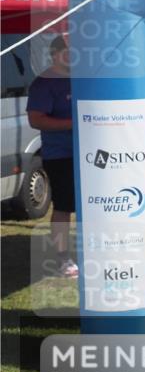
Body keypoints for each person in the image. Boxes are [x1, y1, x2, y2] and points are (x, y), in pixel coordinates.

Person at [27, 36, 77, 278]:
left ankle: (96, 250)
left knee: (94, 204)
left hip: (90, 154)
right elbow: (35, 119)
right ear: (56, 54)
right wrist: (75, 123)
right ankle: (63, 258)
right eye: (70, 51)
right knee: (64, 206)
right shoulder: (44, 83)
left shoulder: (82, 79)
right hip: (61, 156)